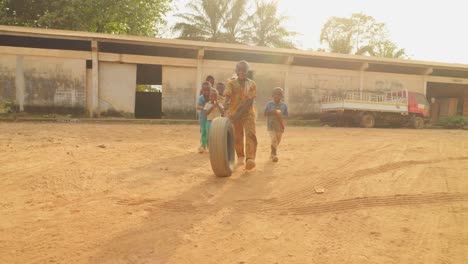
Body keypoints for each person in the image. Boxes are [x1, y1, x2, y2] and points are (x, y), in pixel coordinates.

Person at [225, 61, 257, 170]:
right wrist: (225, 105)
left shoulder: (252, 84)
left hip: (248, 112)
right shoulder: (231, 83)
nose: (241, 72)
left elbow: (249, 101)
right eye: (239, 70)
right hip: (233, 114)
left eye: (244, 70)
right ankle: (240, 156)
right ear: (236, 71)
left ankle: (250, 158)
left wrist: (238, 114)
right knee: (237, 136)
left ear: (248, 71)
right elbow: (228, 95)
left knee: (251, 133)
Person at [264, 87, 288, 162]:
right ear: (273, 95)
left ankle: (272, 152)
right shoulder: (269, 104)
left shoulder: (284, 105)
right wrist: (273, 111)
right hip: (271, 125)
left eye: (279, 95)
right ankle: (274, 155)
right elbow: (265, 113)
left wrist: (281, 115)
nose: (277, 96)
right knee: (274, 139)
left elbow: (287, 116)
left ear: (281, 96)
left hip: (280, 126)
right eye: (275, 95)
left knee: (277, 140)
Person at [196, 82, 211, 153]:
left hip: (211, 119)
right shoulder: (201, 98)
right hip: (203, 118)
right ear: (202, 90)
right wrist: (204, 107)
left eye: (208, 90)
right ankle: (203, 146)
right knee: (203, 132)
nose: (207, 92)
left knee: (210, 132)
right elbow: (198, 106)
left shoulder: (212, 97)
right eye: (205, 90)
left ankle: (210, 146)